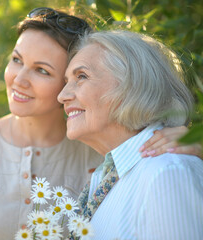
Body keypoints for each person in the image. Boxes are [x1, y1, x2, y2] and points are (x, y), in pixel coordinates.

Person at [0, 8, 201, 240]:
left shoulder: (112, 158)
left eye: (42, 70)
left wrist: (194, 144)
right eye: (16, 60)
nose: (19, 79)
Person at [58, 30, 203, 239]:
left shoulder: (166, 172)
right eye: (66, 81)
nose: (61, 96)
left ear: (132, 84)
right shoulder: (105, 177)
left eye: (81, 76)